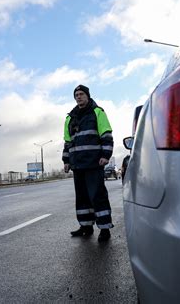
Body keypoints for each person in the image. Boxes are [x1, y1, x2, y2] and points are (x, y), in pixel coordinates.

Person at [62, 84, 114, 242]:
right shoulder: (70, 118)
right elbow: (67, 142)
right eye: (76, 94)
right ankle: (86, 226)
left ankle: (105, 229)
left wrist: (106, 154)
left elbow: (106, 135)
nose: (78, 96)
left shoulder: (97, 112)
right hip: (77, 165)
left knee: (97, 195)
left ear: (87, 96)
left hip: (93, 163)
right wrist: (66, 160)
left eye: (81, 94)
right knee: (82, 197)